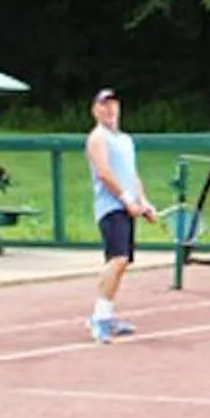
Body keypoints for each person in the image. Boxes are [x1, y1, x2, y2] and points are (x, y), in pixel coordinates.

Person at [85, 87, 159, 343]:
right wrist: (127, 200)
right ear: (95, 111)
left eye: (113, 104)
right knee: (117, 259)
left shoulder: (126, 140)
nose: (109, 109)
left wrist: (144, 202)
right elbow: (104, 173)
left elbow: (132, 174)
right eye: (104, 105)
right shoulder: (97, 138)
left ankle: (105, 315)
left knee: (122, 261)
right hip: (110, 207)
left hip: (126, 206)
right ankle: (99, 318)